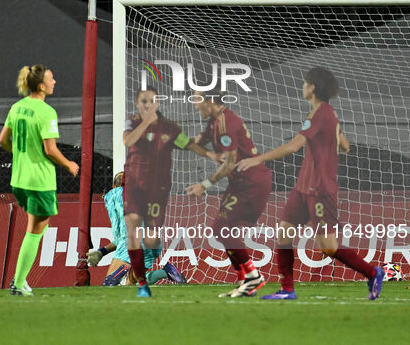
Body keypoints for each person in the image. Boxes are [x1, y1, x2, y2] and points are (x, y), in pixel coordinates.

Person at [236, 66, 384, 300]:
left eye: (305, 84)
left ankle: (373, 272)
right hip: (303, 188)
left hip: (320, 190)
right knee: (283, 234)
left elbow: (294, 146)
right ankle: (287, 289)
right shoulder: (327, 114)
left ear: (313, 87)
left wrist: (257, 159)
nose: (302, 87)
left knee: (328, 246)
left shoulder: (321, 113)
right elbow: (345, 146)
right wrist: (336, 136)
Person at [123, 86, 214, 297]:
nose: (147, 104)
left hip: (158, 188)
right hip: (135, 185)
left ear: (157, 103)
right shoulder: (133, 122)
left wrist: (211, 154)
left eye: (151, 100)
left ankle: (155, 256)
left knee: (151, 240)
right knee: (133, 230)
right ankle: (142, 285)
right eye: (143, 101)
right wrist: (145, 122)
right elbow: (127, 141)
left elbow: (188, 145)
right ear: (138, 104)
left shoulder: (169, 128)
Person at [0, 64, 79, 296]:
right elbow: (50, 150)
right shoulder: (47, 112)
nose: (55, 82)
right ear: (42, 86)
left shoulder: (17, 107)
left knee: (38, 225)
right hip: (39, 180)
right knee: (35, 230)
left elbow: (3, 139)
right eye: (52, 79)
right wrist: (69, 164)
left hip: (19, 179)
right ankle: (19, 282)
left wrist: (20, 155)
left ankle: (19, 281)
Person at [185, 89, 271, 298]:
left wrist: (204, 184)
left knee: (222, 229)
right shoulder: (214, 122)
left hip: (251, 182)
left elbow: (230, 162)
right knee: (222, 230)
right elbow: (195, 143)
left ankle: (252, 276)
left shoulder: (226, 124)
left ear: (210, 101)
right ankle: (244, 281)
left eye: (198, 100)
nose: (195, 105)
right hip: (239, 183)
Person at [87, 171, 187, 286]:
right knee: (132, 282)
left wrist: (101, 252)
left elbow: (120, 236)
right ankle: (165, 271)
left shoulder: (113, 194)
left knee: (109, 286)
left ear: (114, 186)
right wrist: (102, 252)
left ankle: (121, 270)